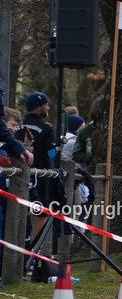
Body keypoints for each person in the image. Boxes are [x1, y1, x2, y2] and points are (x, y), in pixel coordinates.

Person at [17, 92, 57, 243]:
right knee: (40, 214)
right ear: (38, 107)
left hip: (17, 174)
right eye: (46, 105)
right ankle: (33, 253)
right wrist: (55, 169)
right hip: (40, 176)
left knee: (17, 211)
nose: (48, 108)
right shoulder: (47, 127)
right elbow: (52, 154)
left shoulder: (18, 125)